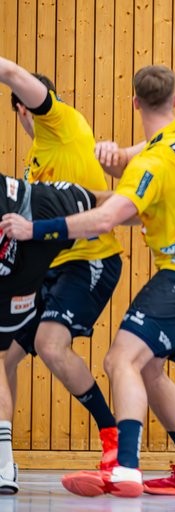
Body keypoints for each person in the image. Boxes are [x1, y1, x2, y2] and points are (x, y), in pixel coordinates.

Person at [1, 65, 175, 498]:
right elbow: (145, 149)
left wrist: (35, 229)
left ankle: (124, 467)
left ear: (135, 103)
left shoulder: (149, 166)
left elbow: (108, 217)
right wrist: (118, 155)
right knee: (149, 369)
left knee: (119, 360)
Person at [0, 56, 123, 483]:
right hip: (51, 267)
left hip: (90, 259)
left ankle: (112, 439)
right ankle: (4, 454)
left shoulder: (61, 122)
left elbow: (15, 76)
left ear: (23, 109)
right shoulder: (37, 156)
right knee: (4, 355)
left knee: (51, 346)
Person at [0, 174, 100, 493]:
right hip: (27, 270)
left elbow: (110, 206)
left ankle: (3, 465)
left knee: (46, 348)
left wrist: (152, 207)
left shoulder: (43, 204)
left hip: (50, 258)